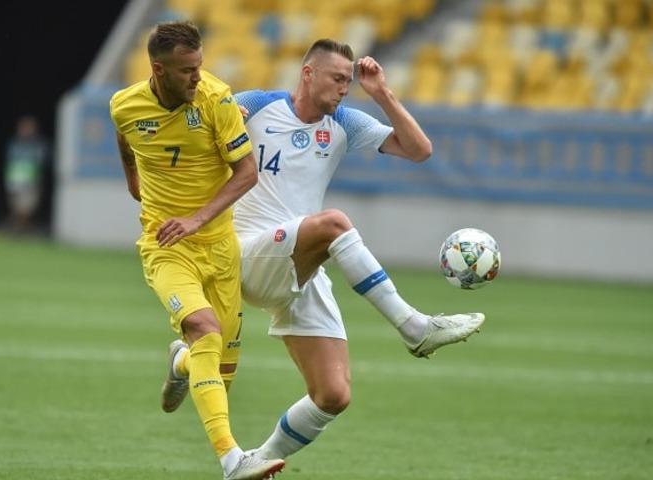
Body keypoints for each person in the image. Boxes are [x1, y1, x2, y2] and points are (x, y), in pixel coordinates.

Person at [168, 39, 486, 461]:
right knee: (335, 222)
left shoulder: (344, 123)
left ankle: (253, 457)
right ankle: (414, 328)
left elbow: (419, 150)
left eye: (349, 82)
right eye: (337, 79)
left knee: (332, 395)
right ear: (307, 74)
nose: (344, 89)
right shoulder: (258, 105)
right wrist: (220, 116)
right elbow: (192, 123)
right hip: (245, 254)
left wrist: (382, 94)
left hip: (301, 258)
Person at [109, 21, 285, 480]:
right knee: (204, 330)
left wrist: (197, 218)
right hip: (166, 247)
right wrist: (136, 186)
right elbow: (127, 143)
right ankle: (232, 459)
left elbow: (246, 173)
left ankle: (182, 362)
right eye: (187, 70)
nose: (196, 77)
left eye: (200, 67)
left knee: (220, 372)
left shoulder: (216, 100)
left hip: (219, 248)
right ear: (158, 69)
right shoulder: (125, 105)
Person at [4, 115, 48, 232]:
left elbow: (42, 161)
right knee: (17, 208)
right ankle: (21, 228)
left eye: (29, 127)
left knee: (27, 208)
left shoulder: (38, 144)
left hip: (31, 181)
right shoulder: (14, 144)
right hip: (15, 181)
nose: (25, 130)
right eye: (23, 127)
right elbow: (9, 161)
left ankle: (20, 228)